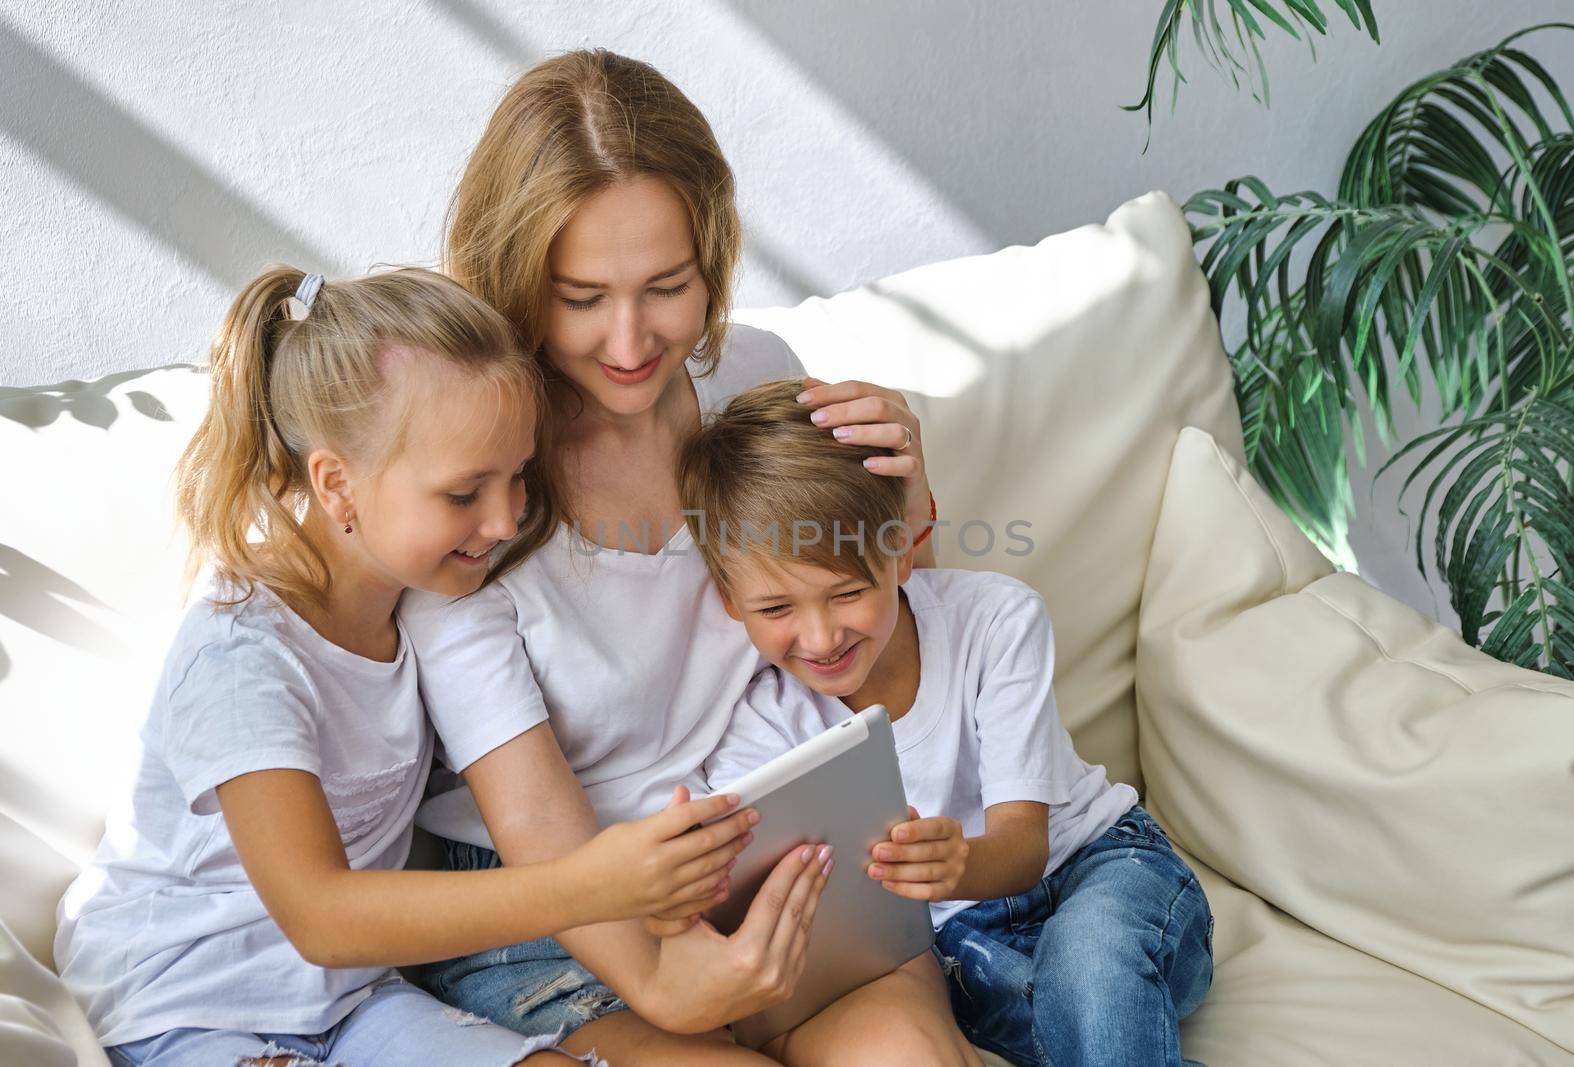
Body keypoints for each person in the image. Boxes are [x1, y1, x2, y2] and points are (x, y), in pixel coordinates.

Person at [54, 265, 825, 1067]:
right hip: (189, 1002)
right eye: (464, 493)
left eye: (518, 474)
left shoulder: (418, 601)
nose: (506, 519)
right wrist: (602, 881)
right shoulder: (244, 655)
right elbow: (321, 914)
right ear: (336, 483)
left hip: (353, 997)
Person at [401, 48, 975, 1065]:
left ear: (710, 254)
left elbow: (868, 642)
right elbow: (538, 826)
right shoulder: (471, 483)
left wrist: (905, 505)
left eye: (666, 286)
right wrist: (669, 981)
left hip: (782, 849)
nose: (629, 340)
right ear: (515, 277)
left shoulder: (756, 377)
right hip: (565, 914)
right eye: (579, 296)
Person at [684, 379, 1216, 1067]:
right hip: (962, 941)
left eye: (847, 592)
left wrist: (956, 860)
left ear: (902, 553)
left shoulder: (995, 620)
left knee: (1089, 970)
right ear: (729, 600)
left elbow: (1024, 843)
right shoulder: (759, 726)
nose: (819, 637)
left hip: (1099, 867)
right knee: (1065, 1020)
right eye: (776, 608)